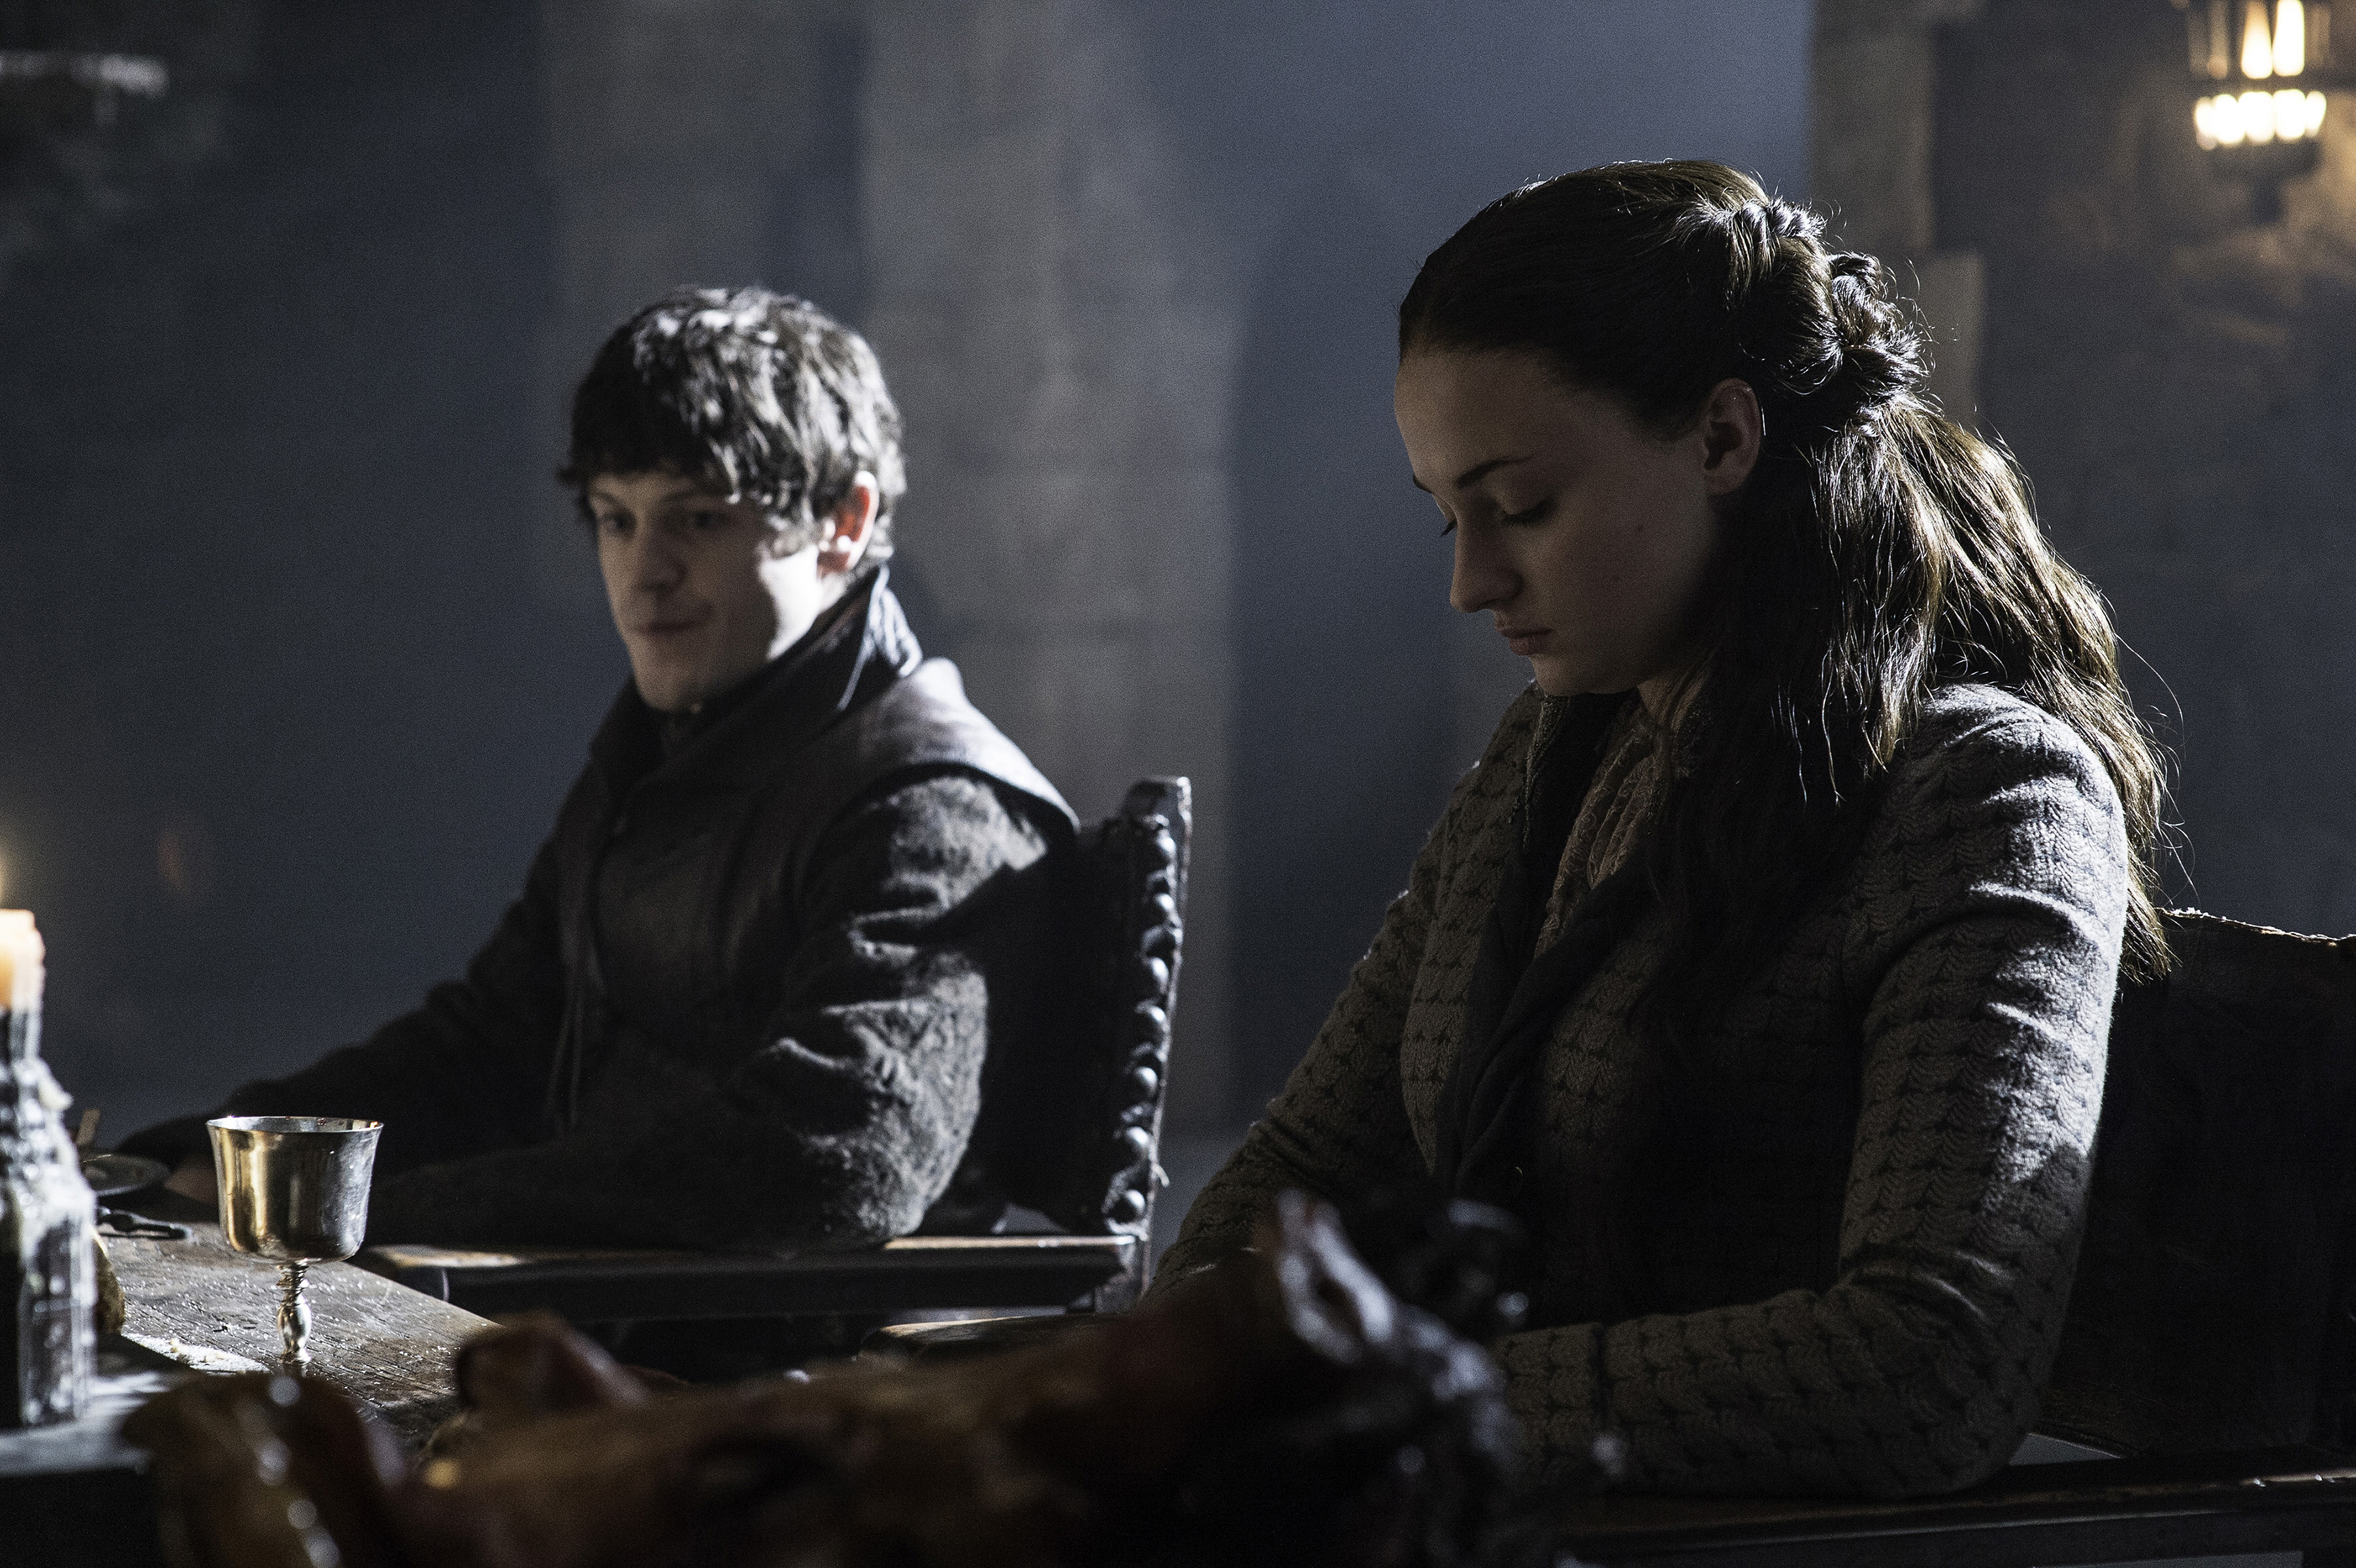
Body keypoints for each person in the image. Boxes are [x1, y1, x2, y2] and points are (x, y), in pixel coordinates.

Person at [1156, 162, 2167, 1498]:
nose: (1471, 582)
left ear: (1722, 439)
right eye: (1450, 517)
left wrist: (1404, 1399)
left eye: (1523, 508)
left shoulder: (1980, 796)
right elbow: (1302, 1163)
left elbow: (1932, 1365)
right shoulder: (1556, 758)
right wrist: (1195, 1351)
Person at [125, 287, 1073, 1250]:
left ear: (844, 519)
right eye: (616, 520)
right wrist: (217, 1158)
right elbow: (489, 1044)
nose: (644, 572)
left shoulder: (934, 807)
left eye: (697, 520)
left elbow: (832, 1156)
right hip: (606, 1313)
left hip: (768, 1344)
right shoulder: (658, 763)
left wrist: (367, 1213)